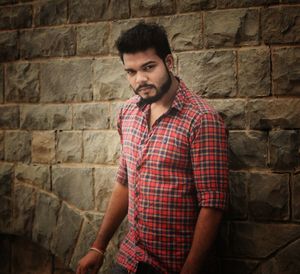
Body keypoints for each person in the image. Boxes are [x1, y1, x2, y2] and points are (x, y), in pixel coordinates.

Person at [76, 22, 228, 274]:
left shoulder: (201, 120)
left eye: (148, 67)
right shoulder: (128, 113)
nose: (140, 79)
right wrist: (98, 247)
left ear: (168, 62)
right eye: (131, 71)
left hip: (173, 265)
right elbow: (125, 181)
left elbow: (212, 205)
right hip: (130, 258)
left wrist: (189, 270)